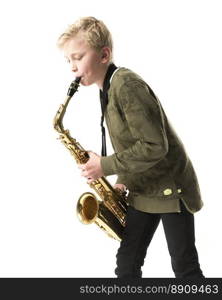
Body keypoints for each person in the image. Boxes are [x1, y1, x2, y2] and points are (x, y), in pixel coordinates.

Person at [57, 16, 204, 278]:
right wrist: (122, 180)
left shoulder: (126, 85)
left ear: (104, 55)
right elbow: (133, 144)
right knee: (126, 266)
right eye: (68, 60)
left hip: (171, 188)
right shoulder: (107, 90)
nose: (72, 67)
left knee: (185, 269)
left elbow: (155, 145)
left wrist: (104, 165)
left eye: (77, 57)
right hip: (143, 187)